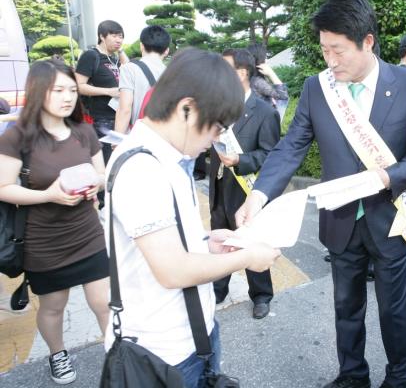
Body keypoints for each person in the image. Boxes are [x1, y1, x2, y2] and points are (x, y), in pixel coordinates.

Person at [236, 0, 406, 388]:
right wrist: (259, 195)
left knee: (395, 309)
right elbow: (291, 146)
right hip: (341, 220)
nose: (330, 60)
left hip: (393, 217)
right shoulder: (318, 88)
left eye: (338, 50)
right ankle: (352, 375)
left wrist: (389, 177)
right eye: (324, 49)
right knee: (346, 305)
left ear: (367, 42)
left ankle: (401, 376)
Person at [105, 47, 281, 388]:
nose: (217, 139)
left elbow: (167, 242)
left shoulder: (167, 157)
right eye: (216, 127)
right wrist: (248, 258)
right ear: (186, 109)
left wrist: (206, 242)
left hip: (190, 334)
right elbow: (172, 270)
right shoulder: (143, 168)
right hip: (162, 352)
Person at [0, 59, 109, 385]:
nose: (68, 97)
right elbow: (3, 188)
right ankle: (57, 353)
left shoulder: (84, 131)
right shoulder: (17, 137)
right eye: (58, 90)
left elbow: (102, 175)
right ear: (37, 92)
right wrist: (49, 195)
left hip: (88, 232)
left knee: (104, 302)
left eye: (72, 90)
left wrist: (94, 185)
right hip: (44, 240)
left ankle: (117, 353)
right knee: (53, 306)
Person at [210, 48, 280, 319]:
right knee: (221, 241)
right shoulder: (219, 106)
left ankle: (261, 295)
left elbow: (271, 155)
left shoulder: (264, 112)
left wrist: (241, 159)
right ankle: (218, 288)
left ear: (241, 73)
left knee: (251, 242)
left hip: (246, 191)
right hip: (219, 187)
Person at [75, 20, 128, 163]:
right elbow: (79, 85)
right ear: (102, 37)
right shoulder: (91, 56)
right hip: (101, 121)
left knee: (119, 161)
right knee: (106, 161)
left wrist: (120, 51)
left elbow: (130, 70)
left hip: (119, 118)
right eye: (114, 36)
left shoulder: (114, 58)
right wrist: (108, 91)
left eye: (121, 37)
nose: (119, 40)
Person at [114, 25, 171, 133]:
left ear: (141, 46)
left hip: (138, 134)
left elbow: (125, 109)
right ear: (166, 51)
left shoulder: (129, 69)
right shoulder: (172, 73)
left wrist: (118, 137)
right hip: (163, 135)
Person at [246, 42, 289, 107]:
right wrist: (271, 73)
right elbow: (283, 96)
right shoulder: (258, 82)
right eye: (265, 57)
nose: (267, 60)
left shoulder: (248, 78)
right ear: (259, 59)